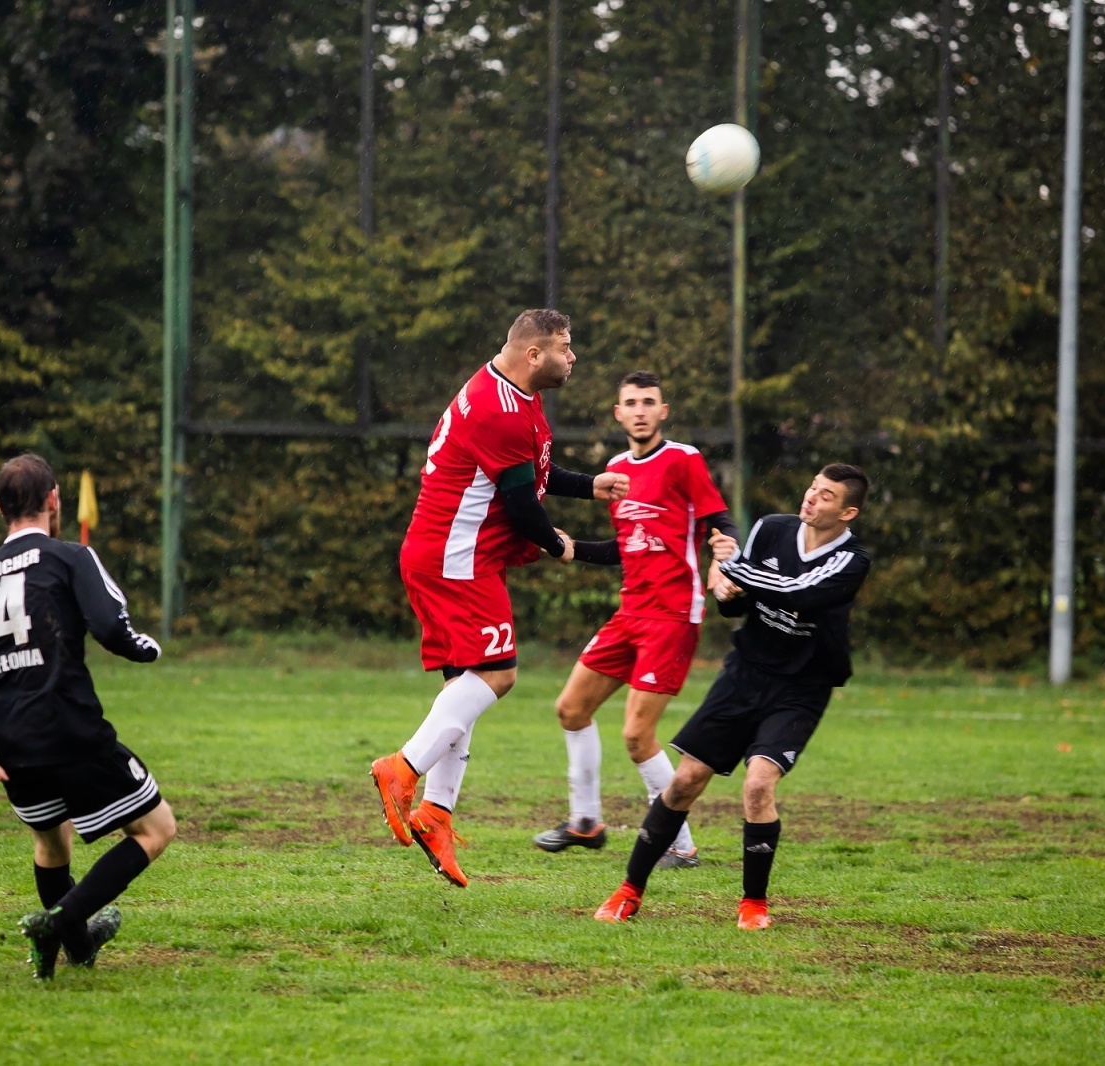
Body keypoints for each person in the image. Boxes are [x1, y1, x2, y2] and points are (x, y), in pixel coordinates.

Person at [370, 309, 629, 887]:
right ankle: (402, 768)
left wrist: (588, 485)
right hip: (455, 560)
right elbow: (521, 507)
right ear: (534, 354)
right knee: (499, 675)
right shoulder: (499, 408)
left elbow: (527, 473)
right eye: (566, 347)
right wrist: (574, 548)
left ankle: (436, 812)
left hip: (447, 554)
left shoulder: (508, 391)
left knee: (461, 690)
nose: (573, 357)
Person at [0, 454, 176, 979]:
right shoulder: (69, 556)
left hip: (12, 742)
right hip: (71, 728)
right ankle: (59, 920)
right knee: (155, 829)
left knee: (50, 842)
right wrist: (143, 648)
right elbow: (110, 624)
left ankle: (77, 949)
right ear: (54, 500)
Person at [593, 464, 871, 930]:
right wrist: (726, 589)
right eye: (812, 488)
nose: (811, 499)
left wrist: (732, 565)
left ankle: (753, 905)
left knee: (759, 785)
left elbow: (797, 593)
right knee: (684, 782)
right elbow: (741, 603)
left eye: (826, 497)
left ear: (848, 512)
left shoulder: (852, 560)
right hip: (745, 674)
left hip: (801, 688)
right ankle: (628, 890)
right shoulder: (772, 528)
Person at [531, 370, 737, 868]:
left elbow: (720, 520)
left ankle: (679, 844)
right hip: (630, 613)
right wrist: (571, 548)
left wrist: (723, 554)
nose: (641, 410)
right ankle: (585, 823)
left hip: (672, 615)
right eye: (631, 402)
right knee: (571, 709)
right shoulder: (616, 470)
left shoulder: (683, 460)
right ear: (618, 413)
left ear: (662, 412)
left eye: (650, 401)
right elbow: (626, 548)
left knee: (636, 736)